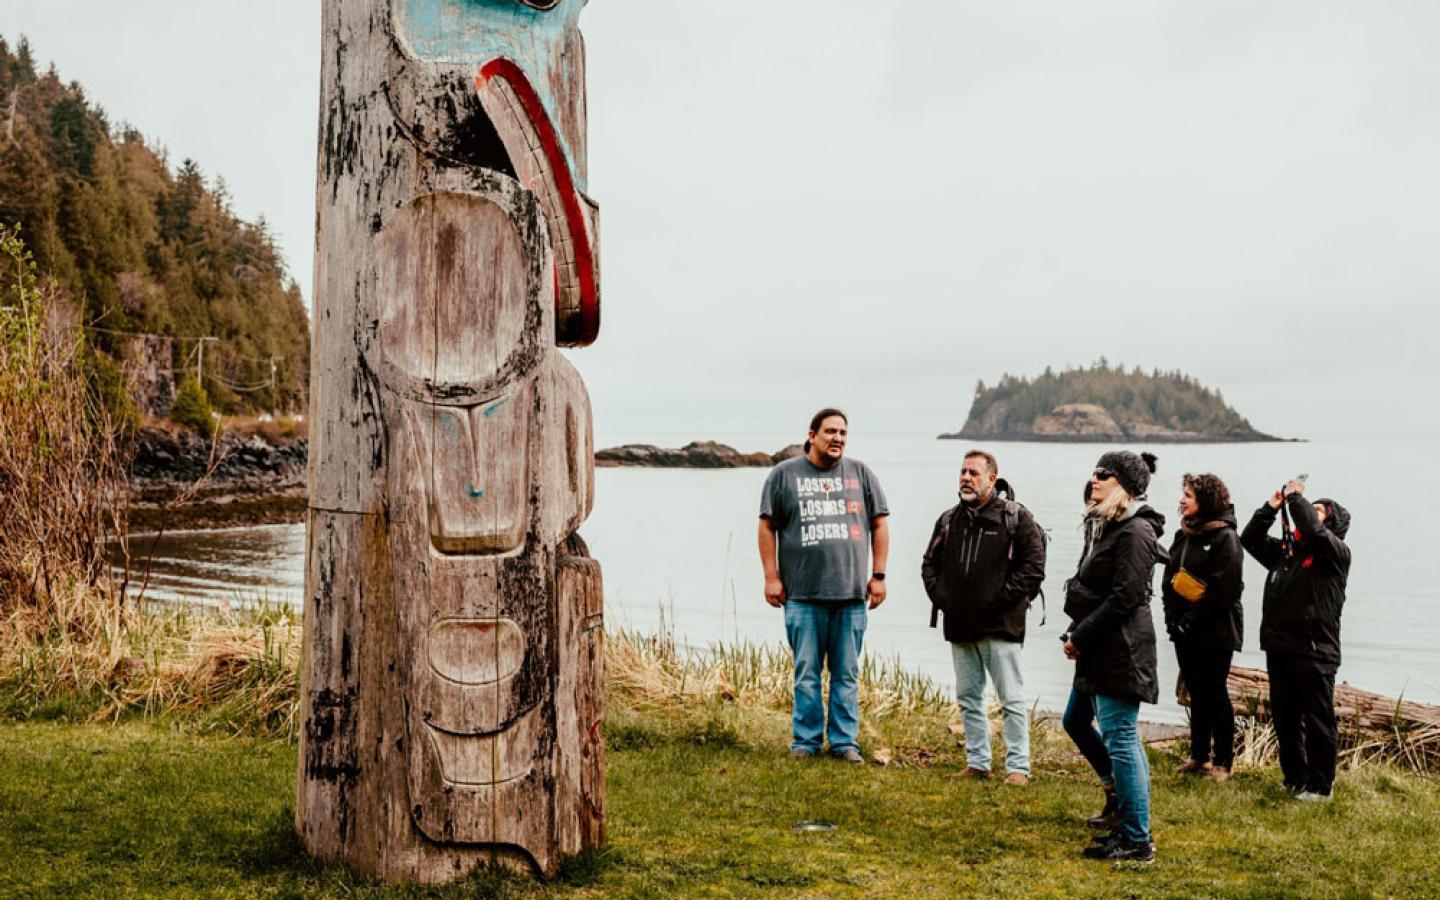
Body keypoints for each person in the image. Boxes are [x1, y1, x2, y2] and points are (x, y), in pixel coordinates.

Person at [758, 408, 890, 764]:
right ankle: (806, 741)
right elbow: (767, 525)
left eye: (843, 433)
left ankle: (845, 743)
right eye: (831, 431)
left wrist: (878, 576)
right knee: (806, 675)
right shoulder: (784, 475)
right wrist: (771, 577)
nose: (838, 438)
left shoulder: (861, 474)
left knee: (846, 675)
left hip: (850, 596)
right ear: (812, 434)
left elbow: (879, 524)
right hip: (802, 595)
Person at [1061, 450, 1164, 863]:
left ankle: (1137, 839)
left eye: (1103, 474)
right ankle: (1122, 814)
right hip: (1101, 645)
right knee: (1077, 720)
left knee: (1121, 736)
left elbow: (1125, 597)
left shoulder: (1137, 532)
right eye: (1094, 472)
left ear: (1123, 484)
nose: (1094, 479)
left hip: (1121, 649)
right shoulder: (1110, 526)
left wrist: (1082, 637)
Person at [921, 450, 1046, 785]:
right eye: (962, 471)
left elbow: (1033, 569)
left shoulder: (1016, 518)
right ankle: (978, 763)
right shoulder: (949, 519)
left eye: (973, 473)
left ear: (992, 479)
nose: (965, 478)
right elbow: (929, 565)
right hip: (960, 624)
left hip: (1001, 626)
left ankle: (1018, 767)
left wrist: (997, 601)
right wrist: (944, 598)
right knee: (968, 697)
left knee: (1011, 698)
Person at [1240, 478, 1352, 801]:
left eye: (1318, 512)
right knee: (1285, 717)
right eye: (1309, 509)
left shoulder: (1335, 556)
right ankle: (1295, 780)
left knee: (1318, 720)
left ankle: (1321, 786)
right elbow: (1249, 539)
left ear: (1330, 523)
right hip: (1280, 648)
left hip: (1316, 651)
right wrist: (1272, 506)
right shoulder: (1285, 554)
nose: (1308, 515)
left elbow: (1315, 531)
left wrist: (1297, 498)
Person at [1160, 473, 1244, 781]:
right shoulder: (1184, 534)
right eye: (1182, 494)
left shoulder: (1226, 539)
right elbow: (1169, 578)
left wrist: (1190, 622)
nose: (1182, 500)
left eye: (1188, 496)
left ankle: (1223, 761)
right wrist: (1172, 621)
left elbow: (1225, 591)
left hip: (1216, 631)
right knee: (1195, 690)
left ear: (1205, 501)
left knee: (1214, 692)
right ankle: (1198, 755)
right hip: (1184, 629)